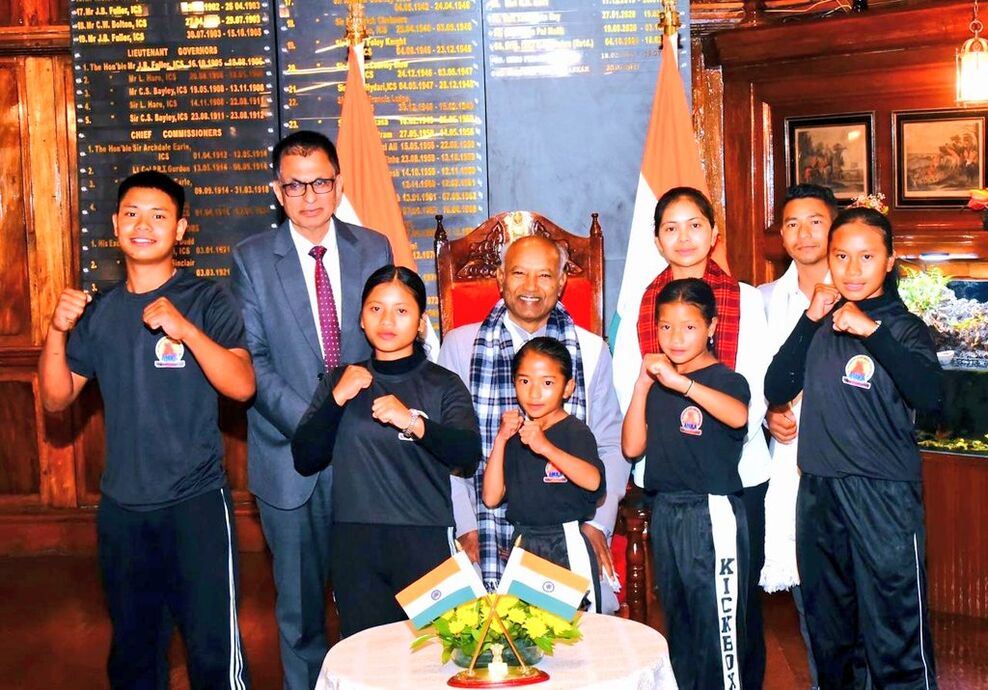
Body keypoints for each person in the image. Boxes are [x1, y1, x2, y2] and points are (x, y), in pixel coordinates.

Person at [38, 170, 254, 689]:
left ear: (180, 229)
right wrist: (56, 330)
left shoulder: (207, 299)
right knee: (133, 655)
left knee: (212, 653)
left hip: (195, 505)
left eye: (158, 216)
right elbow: (55, 397)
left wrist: (187, 331)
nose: (143, 226)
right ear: (115, 224)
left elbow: (242, 386)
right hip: (122, 510)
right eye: (132, 214)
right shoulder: (101, 311)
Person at [231, 131, 391, 688]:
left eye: (320, 182)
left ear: (338, 185)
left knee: (370, 607)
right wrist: (315, 424)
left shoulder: (373, 249)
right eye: (295, 186)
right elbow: (253, 360)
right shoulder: (251, 258)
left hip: (364, 456)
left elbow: (389, 345)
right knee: (300, 617)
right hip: (288, 457)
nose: (309, 196)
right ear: (278, 191)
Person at [765, 207, 942, 689]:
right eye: (841, 256)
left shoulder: (902, 327)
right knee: (831, 638)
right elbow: (776, 387)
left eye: (867, 256)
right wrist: (809, 320)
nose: (853, 268)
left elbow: (931, 397)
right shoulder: (819, 322)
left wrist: (872, 332)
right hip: (819, 494)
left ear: (889, 261)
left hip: (883, 497)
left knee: (896, 635)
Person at [627, 186, 770, 689]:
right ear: (657, 239)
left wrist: (695, 401)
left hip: (731, 478)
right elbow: (633, 390)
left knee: (733, 613)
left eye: (694, 225)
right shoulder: (643, 301)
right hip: (669, 484)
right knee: (681, 614)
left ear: (713, 234)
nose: (683, 237)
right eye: (671, 227)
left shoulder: (743, 298)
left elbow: (753, 389)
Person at [437, 234, 628, 606]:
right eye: (519, 273)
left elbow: (610, 446)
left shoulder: (591, 349)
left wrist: (597, 525)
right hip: (481, 521)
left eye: (544, 275)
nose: (530, 286)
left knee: (591, 616)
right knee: (475, 622)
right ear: (500, 277)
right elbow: (449, 452)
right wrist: (467, 527)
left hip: (571, 526)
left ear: (561, 281)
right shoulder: (460, 346)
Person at [292, 265, 481, 637]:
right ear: (362, 319)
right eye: (376, 309)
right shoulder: (340, 379)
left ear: (421, 323)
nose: (387, 320)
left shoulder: (443, 383)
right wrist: (336, 399)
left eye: (402, 310)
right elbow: (305, 457)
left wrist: (412, 422)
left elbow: (467, 454)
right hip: (355, 545)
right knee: (366, 656)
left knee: (437, 654)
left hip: (425, 541)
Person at [622, 278, 750, 690]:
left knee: (718, 633)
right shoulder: (658, 386)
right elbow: (631, 447)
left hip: (710, 513)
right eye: (665, 327)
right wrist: (643, 385)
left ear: (712, 326)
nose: (675, 338)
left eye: (689, 327)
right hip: (666, 511)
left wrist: (684, 384)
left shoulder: (726, 380)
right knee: (679, 628)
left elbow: (738, 416)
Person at [758, 183, 837, 690]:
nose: (803, 233)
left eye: (815, 221)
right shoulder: (763, 300)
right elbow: (756, 378)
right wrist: (771, 412)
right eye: (792, 223)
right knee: (812, 597)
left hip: (847, 462)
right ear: (781, 236)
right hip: (789, 462)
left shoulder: (858, 288)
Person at [482, 337, 606, 611]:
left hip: (565, 543)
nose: (534, 393)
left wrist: (546, 447)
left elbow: (594, 481)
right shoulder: (516, 436)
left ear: (568, 388)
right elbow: (491, 497)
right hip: (524, 544)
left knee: (576, 629)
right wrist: (501, 439)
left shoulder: (575, 431)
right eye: (525, 381)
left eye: (547, 383)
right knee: (526, 631)